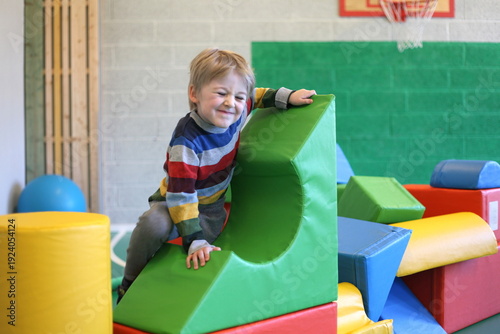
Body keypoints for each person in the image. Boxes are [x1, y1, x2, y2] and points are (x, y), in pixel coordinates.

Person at [117, 48, 316, 302]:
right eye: (221, 93)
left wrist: (288, 97)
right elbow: (181, 195)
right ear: (194, 94)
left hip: (212, 207)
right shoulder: (186, 142)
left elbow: (257, 95)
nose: (230, 102)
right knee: (154, 223)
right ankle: (129, 282)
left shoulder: (239, 109)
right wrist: (193, 239)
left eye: (237, 96)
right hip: (175, 201)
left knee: (202, 259)